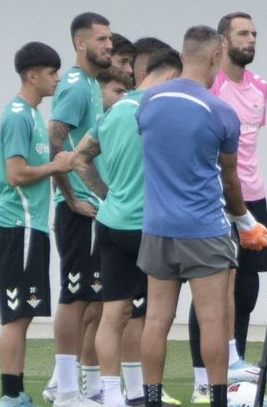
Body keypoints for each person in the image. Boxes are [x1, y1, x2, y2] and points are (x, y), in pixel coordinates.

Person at [135, 26, 267, 407]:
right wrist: (246, 223)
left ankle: (152, 398)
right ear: (214, 57)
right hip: (204, 229)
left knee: (157, 318)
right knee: (213, 319)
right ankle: (218, 400)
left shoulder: (148, 102)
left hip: (157, 228)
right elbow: (230, 179)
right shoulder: (220, 111)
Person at [74, 52, 185, 407]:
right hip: (148, 227)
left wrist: (108, 196)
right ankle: (147, 391)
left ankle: (112, 394)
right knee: (152, 315)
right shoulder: (162, 111)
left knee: (113, 313)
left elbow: (79, 158)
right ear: (170, 76)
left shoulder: (115, 110)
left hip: (111, 223)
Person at [188, 13, 267, 398]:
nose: (251, 39)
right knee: (211, 290)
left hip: (253, 196)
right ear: (222, 42)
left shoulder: (260, 87)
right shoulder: (212, 86)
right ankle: (202, 380)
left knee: (247, 290)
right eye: (243, 33)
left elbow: (251, 146)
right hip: (218, 198)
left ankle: (235, 370)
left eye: (254, 33)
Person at [0, 42, 77, 407]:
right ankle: (10, 396)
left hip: (32, 227)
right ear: (32, 75)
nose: (57, 79)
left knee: (24, 314)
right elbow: (15, 174)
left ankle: (17, 392)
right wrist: (57, 167)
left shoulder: (32, 116)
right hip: (17, 227)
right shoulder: (16, 115)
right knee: (16, 315)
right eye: (51, 72)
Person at [47, 12, 115, 406]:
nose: (108, 45)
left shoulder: (90, 84)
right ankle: (66, 390)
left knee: (90, 297)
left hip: (93, 205)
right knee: (73, 296)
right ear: (80, 43)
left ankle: (71, 385)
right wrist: (71, 197)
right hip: (78, 209)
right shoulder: (74, 85)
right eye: (101, 39)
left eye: (109, 39)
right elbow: (54, 137)